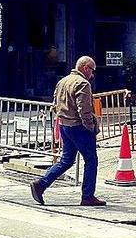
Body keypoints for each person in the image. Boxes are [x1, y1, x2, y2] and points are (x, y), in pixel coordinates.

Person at [30, 56, 105, 206]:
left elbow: (55, 103)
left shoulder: (63, 81)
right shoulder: (83, 83)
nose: (93, 74)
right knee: (91, 160)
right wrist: (90, 126)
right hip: (79, 127)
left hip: (65, 125)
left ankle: (41, 184)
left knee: (66, 160)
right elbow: (84, 109)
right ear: (85, 68)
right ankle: (87, 196)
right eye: (92, 70)